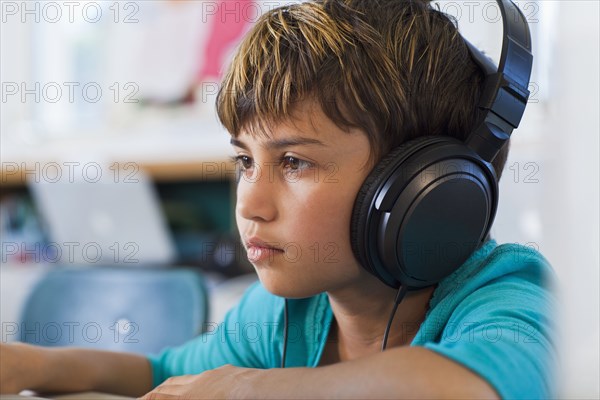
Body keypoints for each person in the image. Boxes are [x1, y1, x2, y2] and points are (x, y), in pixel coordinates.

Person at [0, 0, 557, 398]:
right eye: (246, 161)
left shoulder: (504, 296)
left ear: (423, 187)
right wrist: (31, 364)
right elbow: (163, 374)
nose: (249, 204)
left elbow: (470, 387)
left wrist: (253, 388)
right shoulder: (289, 313)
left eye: (294, 162)